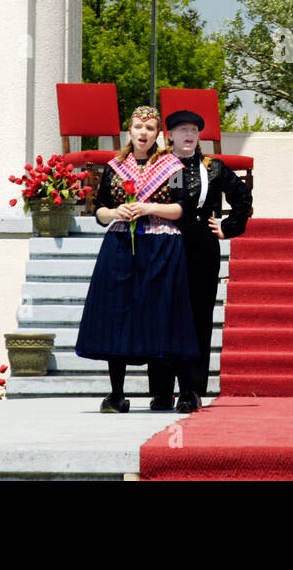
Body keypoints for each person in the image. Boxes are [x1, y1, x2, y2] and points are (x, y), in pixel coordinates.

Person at [75, 106, 197, 414]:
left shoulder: (173, 167)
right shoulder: (116, 166)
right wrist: (117, 212)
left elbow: (182, 208)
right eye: (139, 127)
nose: (144, 133)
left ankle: (185, 392)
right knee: (117, 314)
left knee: (166, 313)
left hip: (161, 247)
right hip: (120, 245)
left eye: (150, 128)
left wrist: (148, 208)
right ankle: (116, 394)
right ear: (129, 130)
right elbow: (100, 209)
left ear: (158, 134)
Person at [147, 109, 252, 414]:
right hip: (163, 246)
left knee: (197, 319)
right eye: (182, 130)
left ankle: (191, 390)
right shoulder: (155, 166)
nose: (188, 135)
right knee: (162, 317)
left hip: (201, 250)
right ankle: (162, 391)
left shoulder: (214, 168)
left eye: (193, 129)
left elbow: (243, 199)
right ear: (169, 135)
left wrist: (228, 226)